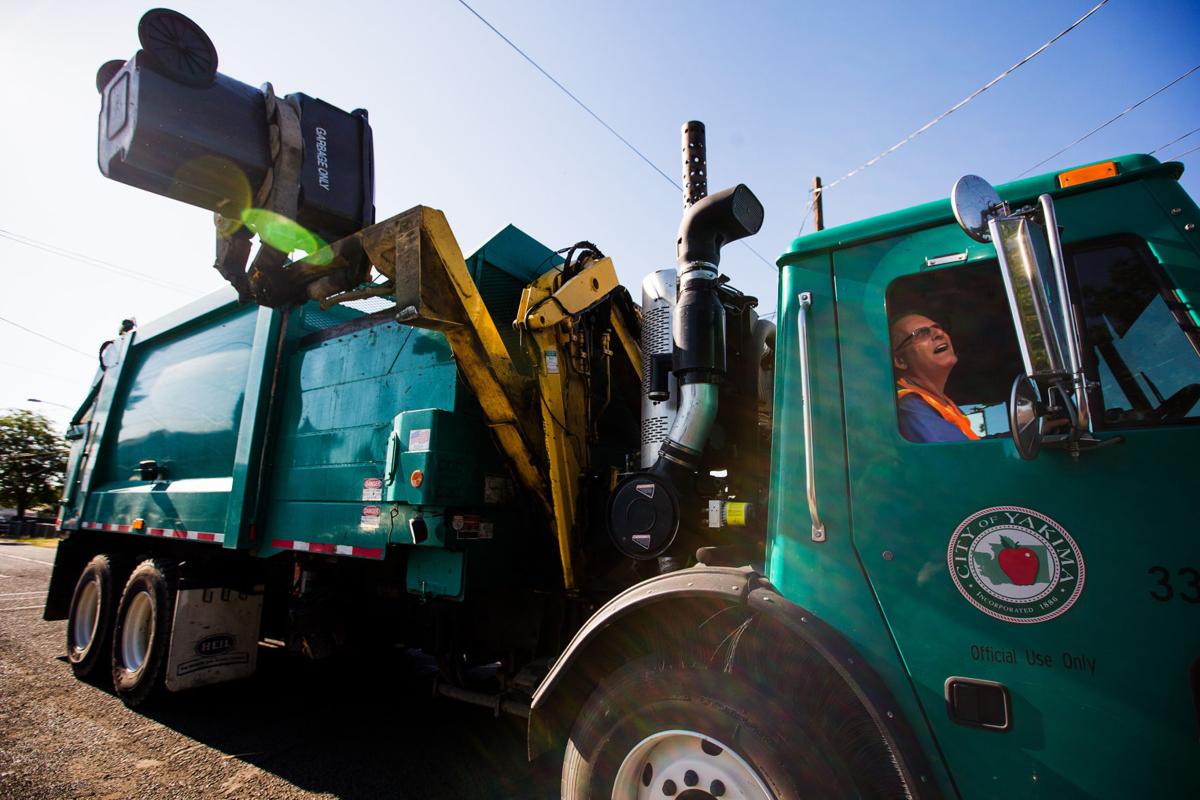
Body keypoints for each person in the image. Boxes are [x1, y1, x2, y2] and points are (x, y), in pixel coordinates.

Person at [890, 313, 980, 443]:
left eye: (938, 327)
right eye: (921, 333)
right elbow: (964, 456)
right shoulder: (909, 407)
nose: (939, 333)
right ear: (900, 360)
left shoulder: (940, 402)